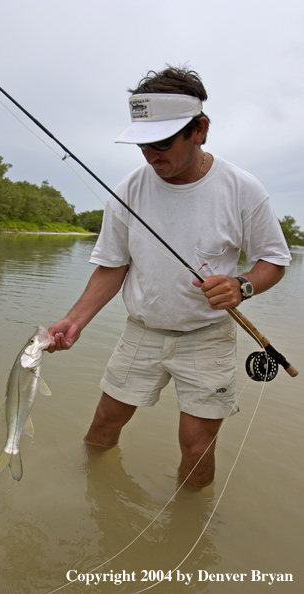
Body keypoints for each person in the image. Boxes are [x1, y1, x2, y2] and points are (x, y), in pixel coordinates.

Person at [47, 66, 291, 487]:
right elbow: (112, 266)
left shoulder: (242, 189)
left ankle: (190, 522)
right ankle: (89, 496)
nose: (151, 155)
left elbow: (275, 260)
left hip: (207, 334)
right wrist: (75, 320)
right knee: (103, 424)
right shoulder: (128, 189)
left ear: (200, 130)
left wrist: (242, 286)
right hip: (142, 330)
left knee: (196, 446)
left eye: (161, 142)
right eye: (142, 144)